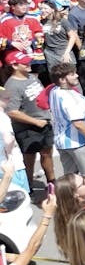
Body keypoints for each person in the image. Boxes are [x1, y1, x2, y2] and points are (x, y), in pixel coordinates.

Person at [6, 51, 56, 192]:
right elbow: (11, 111)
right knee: (28, 159)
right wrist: (35, 121)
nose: (29, 64)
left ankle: (52, 184)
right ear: (14, 65)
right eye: (25, 63)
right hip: (27, 129)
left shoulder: (32, 77)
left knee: (47, 154)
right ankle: (28, 188)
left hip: (44, 122)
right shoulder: (11, 86)